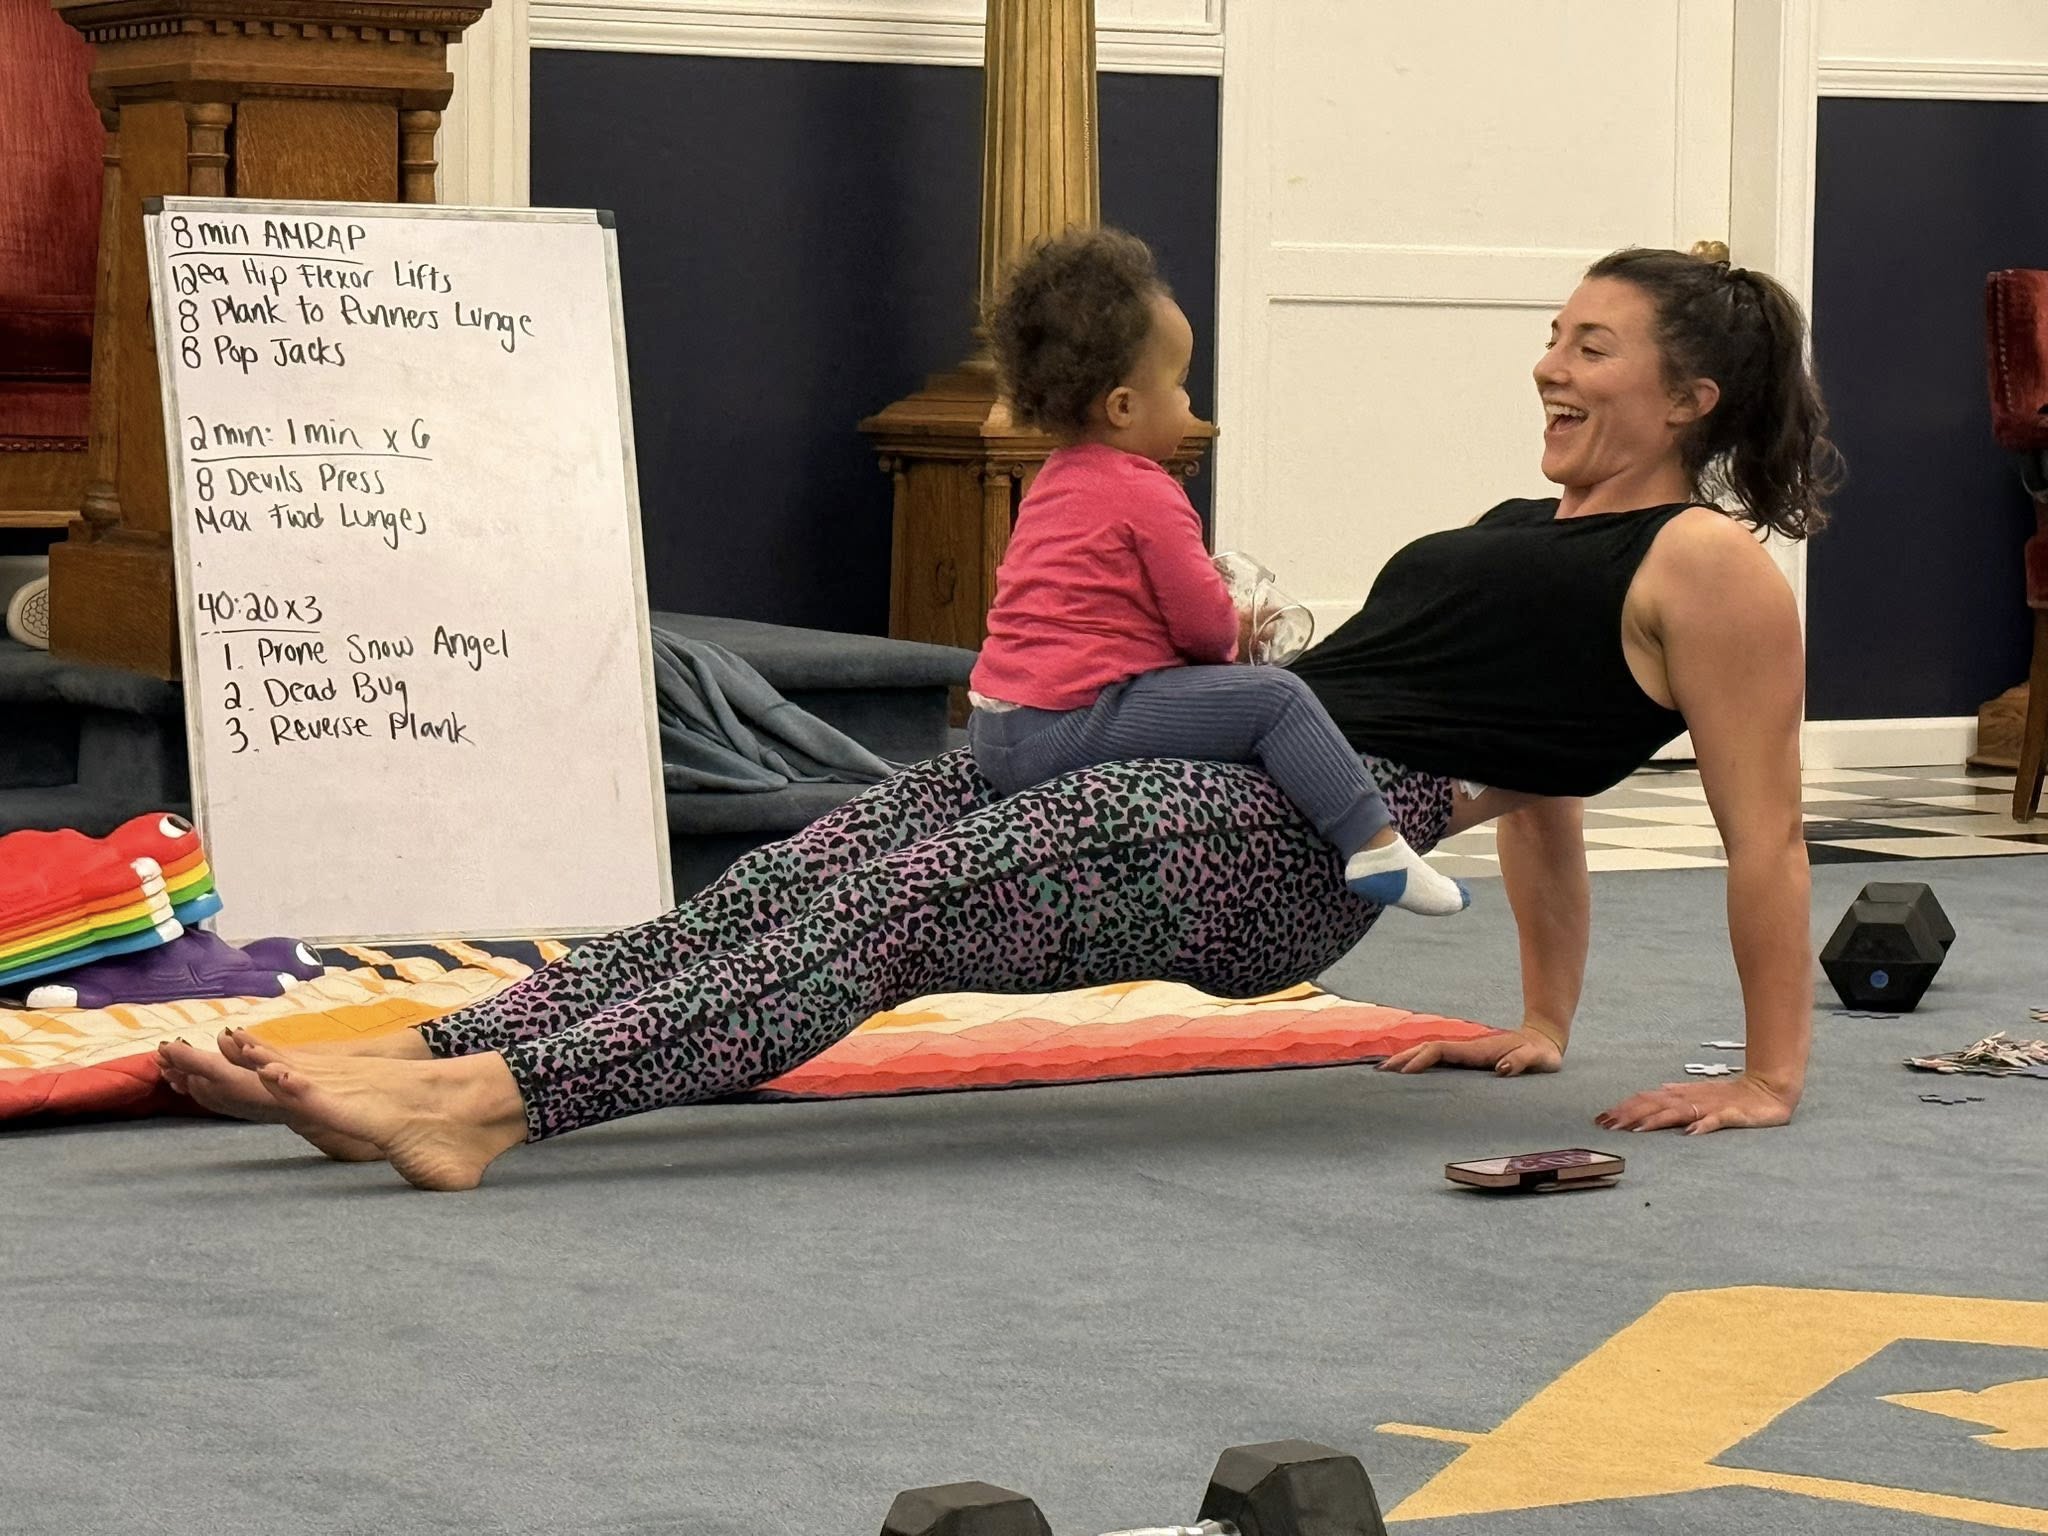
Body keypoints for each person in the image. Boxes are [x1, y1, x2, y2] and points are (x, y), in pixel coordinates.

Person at [158, 242, 1838, 1191]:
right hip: (1203, 752)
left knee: (901, 907)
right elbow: (1537, 786)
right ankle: (431, 1049)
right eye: (1549, 333)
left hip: (1278, 839)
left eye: (1592, 346)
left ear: (1688, 397)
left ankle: (491, 1112)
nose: (1549, 363)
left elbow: (1758, 833)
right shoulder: (1508, 532)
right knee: (818, 860)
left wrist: (1765, 1074)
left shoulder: (1713, 574)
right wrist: (1539, 1022)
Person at [968, 227, 1466, 917]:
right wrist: (1241, 628)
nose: (1193, 408)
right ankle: (1374, 845)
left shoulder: (1057, 478)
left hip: (994, 729)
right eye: (1180, 387)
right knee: (1275, 699)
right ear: (1122, 407)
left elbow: (1090, 608)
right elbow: (1204, 631)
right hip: (1068, 722)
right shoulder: (1147, 491)